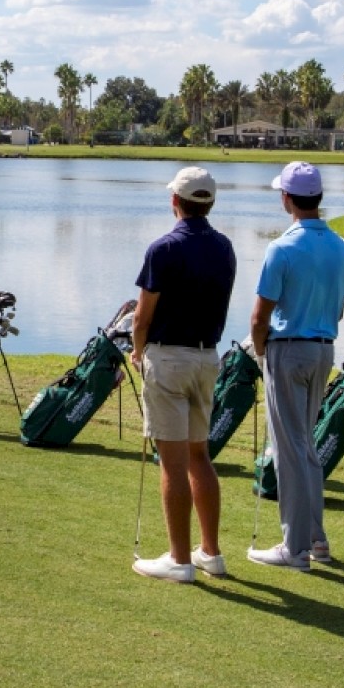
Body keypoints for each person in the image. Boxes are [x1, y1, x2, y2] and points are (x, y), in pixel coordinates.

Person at [130, 166, 238, 583]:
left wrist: (138, 353)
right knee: (199, 456)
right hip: (207, 359)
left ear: (176, 201)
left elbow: (142, 316)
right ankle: (210, 552)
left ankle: (180, 560)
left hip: (169, 360)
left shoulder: (163, 249)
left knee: (173, 463)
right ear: (208, 202)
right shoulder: (225, 247)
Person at [247, 162, 344, 571]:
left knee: (289, 449)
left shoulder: (282, 248)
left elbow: (260, 317)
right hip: (323, 349)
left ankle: (295, 549)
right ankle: (316, 539)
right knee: (304, 444)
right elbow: (340, 309)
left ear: (287, 199)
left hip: (287, 349)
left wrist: (261, 354)